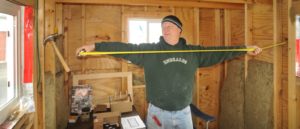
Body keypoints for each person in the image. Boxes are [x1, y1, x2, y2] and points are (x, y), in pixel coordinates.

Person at [76, 15, 262, 129]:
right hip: (157, 114)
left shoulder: (193, 53)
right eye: (163, 26)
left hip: (183, 114)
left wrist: (245, 48)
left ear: (179, 30)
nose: (165, 29)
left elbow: (220, 52)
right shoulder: (150, 52)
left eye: (170, 26)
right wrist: (94, 46)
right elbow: (122, 48)